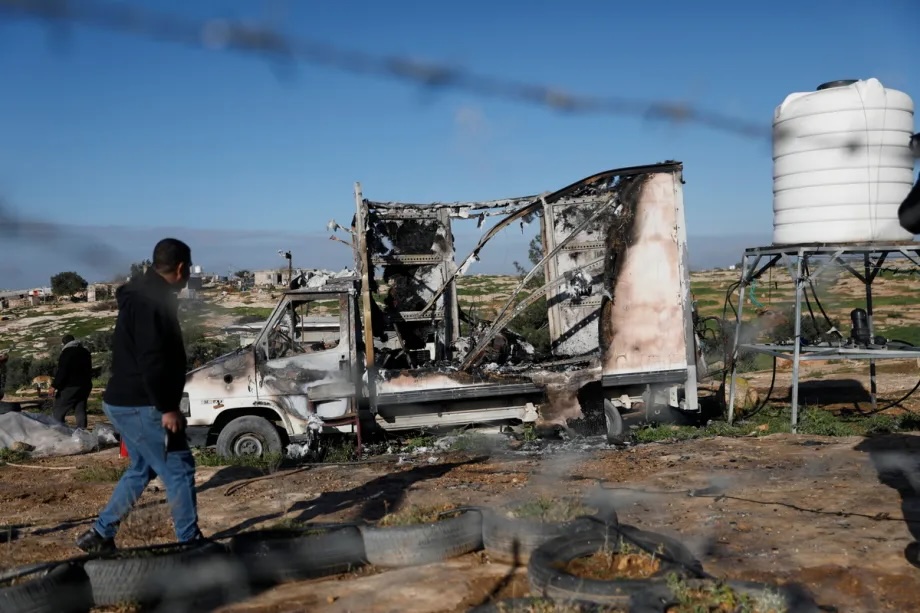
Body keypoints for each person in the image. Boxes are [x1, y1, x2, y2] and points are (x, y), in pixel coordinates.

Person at [76, 238, 203, 553]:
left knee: (142, 468)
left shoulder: (141, 294)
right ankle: (190, 543)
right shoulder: (151, 301)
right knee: (179, 468)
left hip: (123, 400)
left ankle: (100, 534)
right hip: (143, 404)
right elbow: (152, 358)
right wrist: (167, 407)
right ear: (181, 268)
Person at [50, 334, 93, 430]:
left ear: (64, 343)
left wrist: (54, 386)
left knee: (59, 409)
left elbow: (62, 371)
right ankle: (82, 433)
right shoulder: (85, 352)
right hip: (85, 385)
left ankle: (58, 431)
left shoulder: (66, 353)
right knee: (80, 409)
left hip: (71, 386)